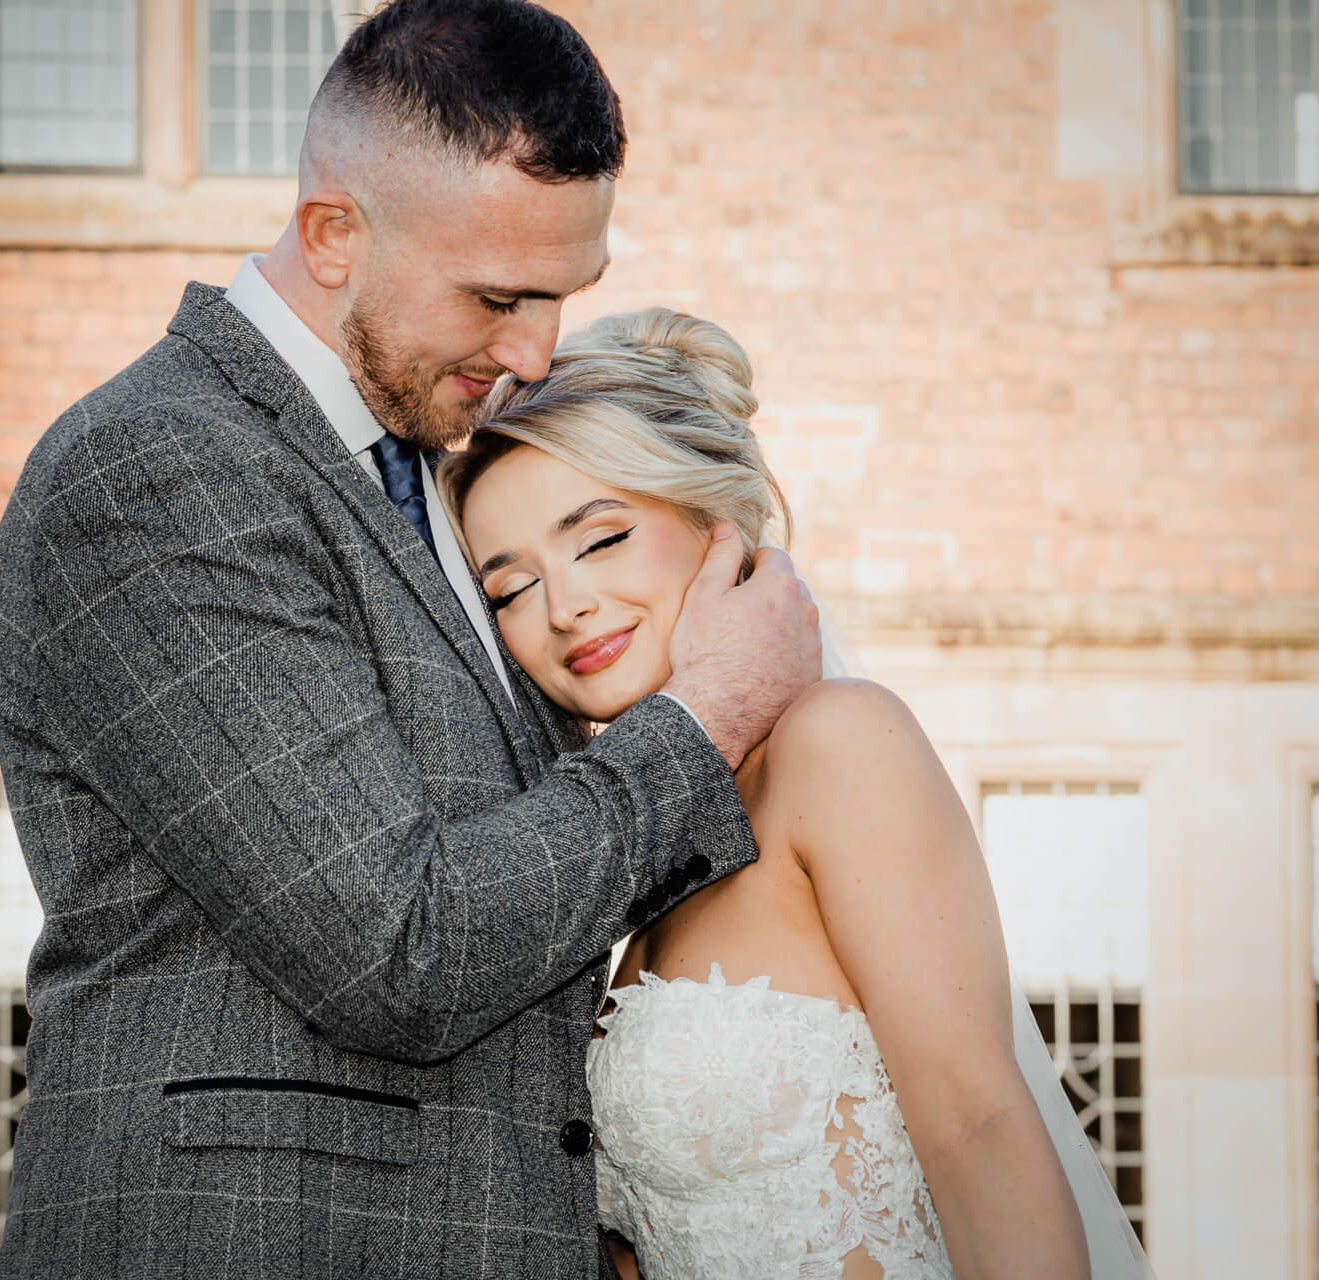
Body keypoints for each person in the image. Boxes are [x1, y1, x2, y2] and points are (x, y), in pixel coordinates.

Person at [0, 4, 821, 1277]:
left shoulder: (440, 476)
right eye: (497, 297)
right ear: (332, 234)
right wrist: (703, 718)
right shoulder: (158, 469)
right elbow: (396, 950)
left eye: (562, 297)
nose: (535, 352)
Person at [437, 307, 1158, 1280]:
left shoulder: (836, 743)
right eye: (510, 588)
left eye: (599, 539)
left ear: (715, 520)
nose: (564, 605)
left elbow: (979, 1126)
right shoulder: (651, 844)